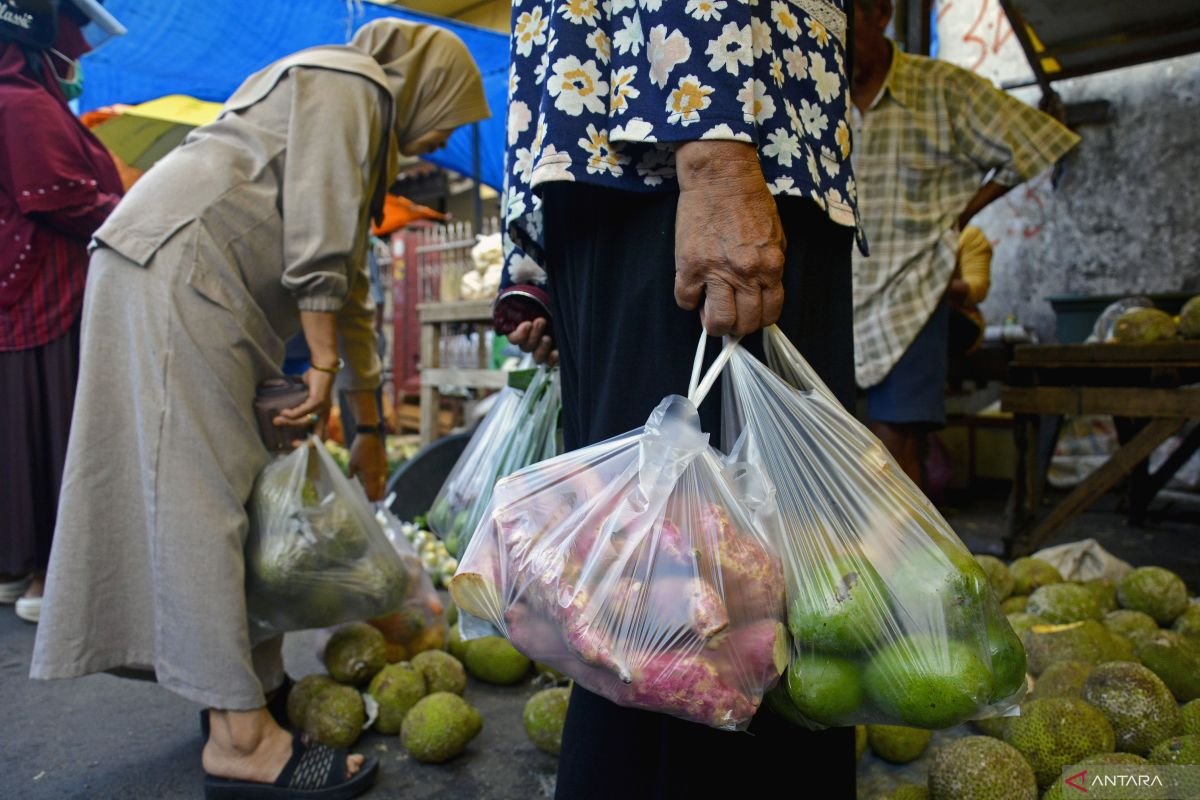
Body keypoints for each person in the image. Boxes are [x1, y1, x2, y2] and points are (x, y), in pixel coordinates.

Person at [30, 19, 488, 799]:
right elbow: (317, 243)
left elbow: (347, 285)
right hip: (181, 267)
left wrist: (367, 421)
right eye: (452, 111)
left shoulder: (354, 116)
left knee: (237, 491)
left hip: (188, 272)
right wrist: (322, 364)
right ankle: (240, 739)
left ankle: (248, 696)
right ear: (426, 77)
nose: (442, 133)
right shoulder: (354, 82)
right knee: (202, 499)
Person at [498, 2, 860, 797]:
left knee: (636, 621)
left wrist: (527, 262)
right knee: (713, 627)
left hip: (643, 137)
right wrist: (718, 153)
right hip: (702, 131)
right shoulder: (712, 154)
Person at [849, 0, 1079, 486]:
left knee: (898, 440)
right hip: (832, 292)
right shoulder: (819, 91)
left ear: (879, 15)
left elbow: (1037, 140)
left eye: (845, 29)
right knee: (822, 434)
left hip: (911, 289)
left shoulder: (942, 88)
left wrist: (962, 213)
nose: (835, 47)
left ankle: (900, 557)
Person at [0, 0, 125, 622]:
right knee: (51, 430)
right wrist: (130, 209)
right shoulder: (21, 102)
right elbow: (60, 198)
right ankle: (49, 577)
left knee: (23, 428)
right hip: (45, 293)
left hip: (25, 290)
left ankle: (20, 566)